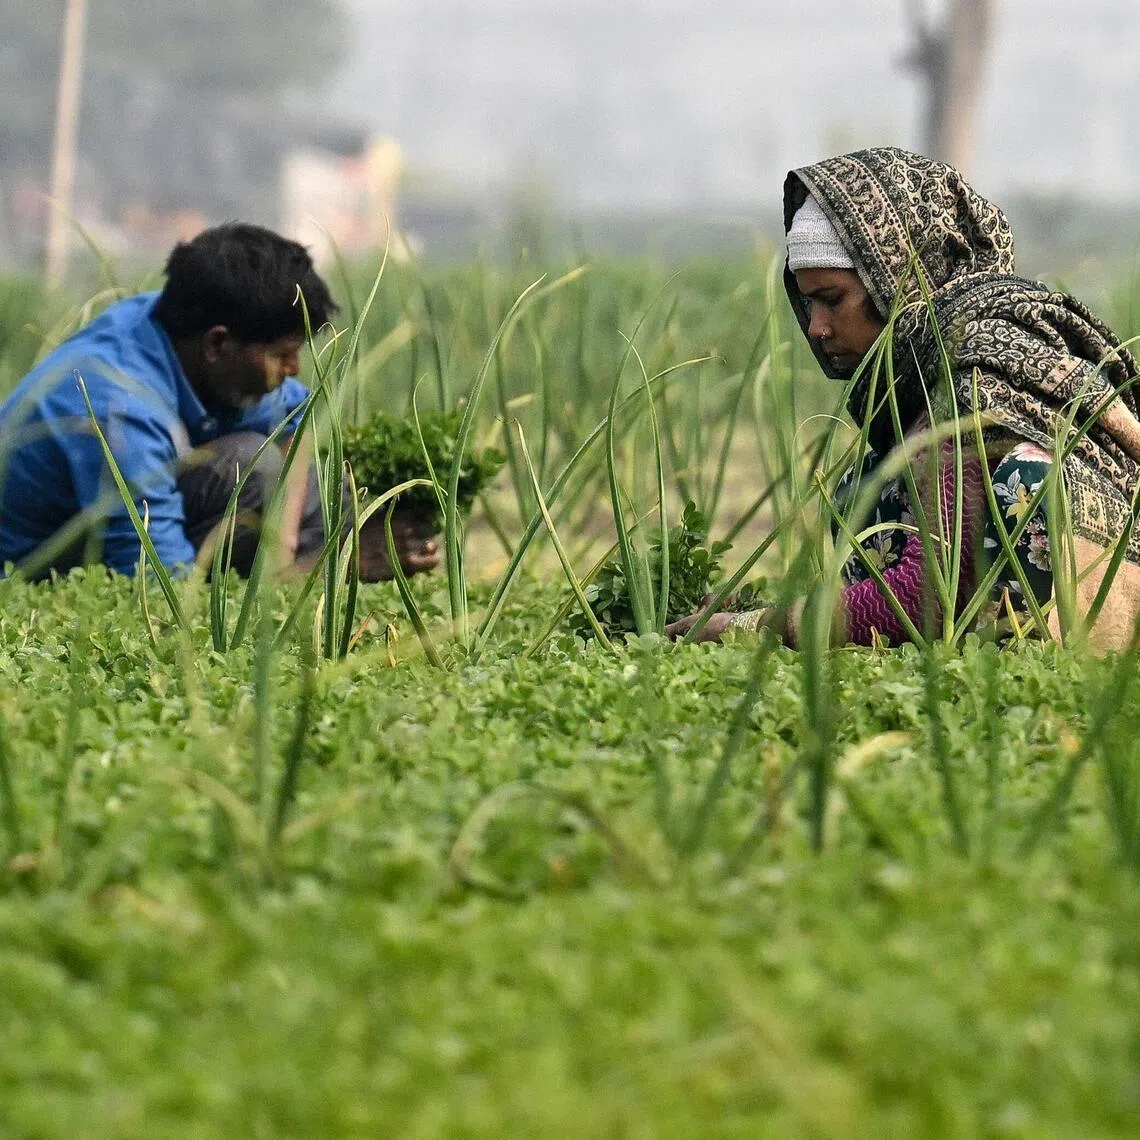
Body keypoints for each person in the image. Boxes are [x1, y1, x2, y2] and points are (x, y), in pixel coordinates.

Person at [667, 147, 1140, 651]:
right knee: (870, 486)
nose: (816, 328)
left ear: (897, 283)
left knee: (1018, 477)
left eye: (831, 300)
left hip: (1089, 647)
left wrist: (757, 627)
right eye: (807, 303)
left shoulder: (976, 374)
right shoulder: (937, 364)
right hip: (973, 612)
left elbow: (931, 589)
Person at [0, 223, 438, 581]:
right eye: (282, 354)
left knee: (323, 486)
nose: (294, 369)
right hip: (42, 562)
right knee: (255, 463)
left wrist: (284, 548)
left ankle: (307, 564)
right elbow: (158, 583)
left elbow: (297, 418)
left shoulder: (191, 335)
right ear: (218, 344)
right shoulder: (118, 406)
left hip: (148, 504)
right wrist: (322, 571)